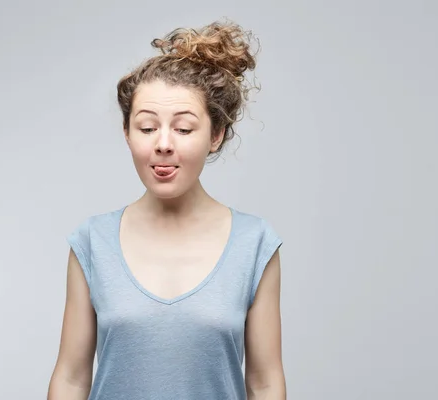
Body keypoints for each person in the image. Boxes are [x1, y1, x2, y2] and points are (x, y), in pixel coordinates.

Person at [47, 20, 286, 400]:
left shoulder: (254, 244)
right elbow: (72, 378)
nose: (163, 144)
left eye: (184, 129)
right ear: (127, 133)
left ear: (216, 135)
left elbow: (265, 383)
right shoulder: (92, 243)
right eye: (146, 127)